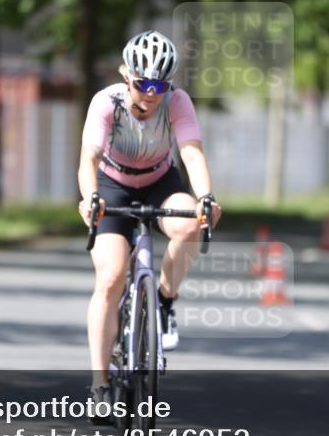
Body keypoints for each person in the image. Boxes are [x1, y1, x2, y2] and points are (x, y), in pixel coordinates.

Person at [77, 30, 221, 416]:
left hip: (160, 181)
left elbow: (191, 152)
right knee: (111, 276)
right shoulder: (105, 103)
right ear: (127, 76)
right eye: (144, 84)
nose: (152, 93)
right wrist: (91, 197)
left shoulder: (177, 102)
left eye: (160, 84)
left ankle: (165, 300)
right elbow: (89, 157)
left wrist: (206, 197)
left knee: (190, 223)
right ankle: (99, 384)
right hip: (113, 184)